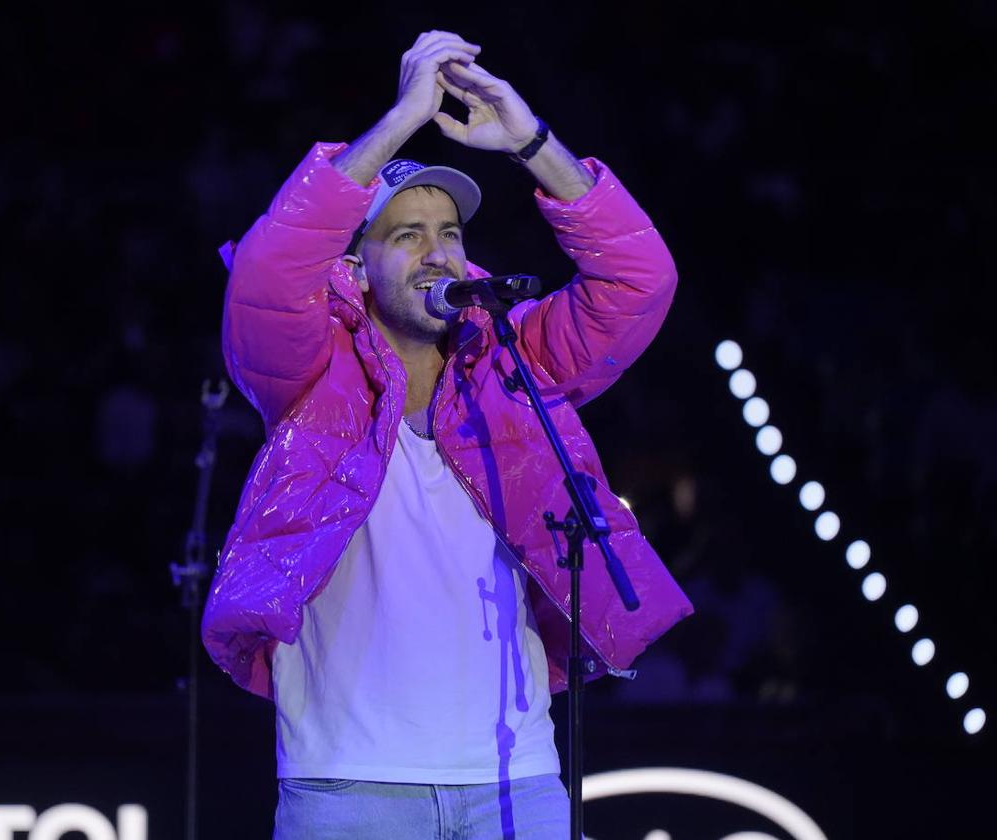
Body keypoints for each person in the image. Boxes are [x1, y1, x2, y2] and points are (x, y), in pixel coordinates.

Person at [203, 30, 694, 839]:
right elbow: (269, 274)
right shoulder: (307, 377)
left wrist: (532, 142)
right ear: (356, 267)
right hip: (350, 787)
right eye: (407, 236)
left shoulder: (517, 361)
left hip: (517, 782)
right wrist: (402, 120)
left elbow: (639, 282)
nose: (441, 256)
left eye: (452, 235)